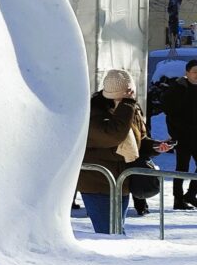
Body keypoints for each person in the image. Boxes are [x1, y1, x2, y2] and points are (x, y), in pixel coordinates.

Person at [77, 69, 173, 234]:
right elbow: (114, 135)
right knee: (109, 234)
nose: (131, 96)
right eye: (127, 93)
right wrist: (127, 104)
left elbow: (138, 140)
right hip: (98, 183)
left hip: (122, 182)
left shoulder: (130, 109)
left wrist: (155, 146)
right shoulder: (94, 112)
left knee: (117, 231)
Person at [162, 60, 197, 210]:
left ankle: (191, 194)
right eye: (195, 72)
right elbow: (169, 111)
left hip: (195, 135)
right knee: (181, 167)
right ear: (187, 73)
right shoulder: (178, 88)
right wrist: (176, 132)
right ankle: (178, 199)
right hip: (182, 135)